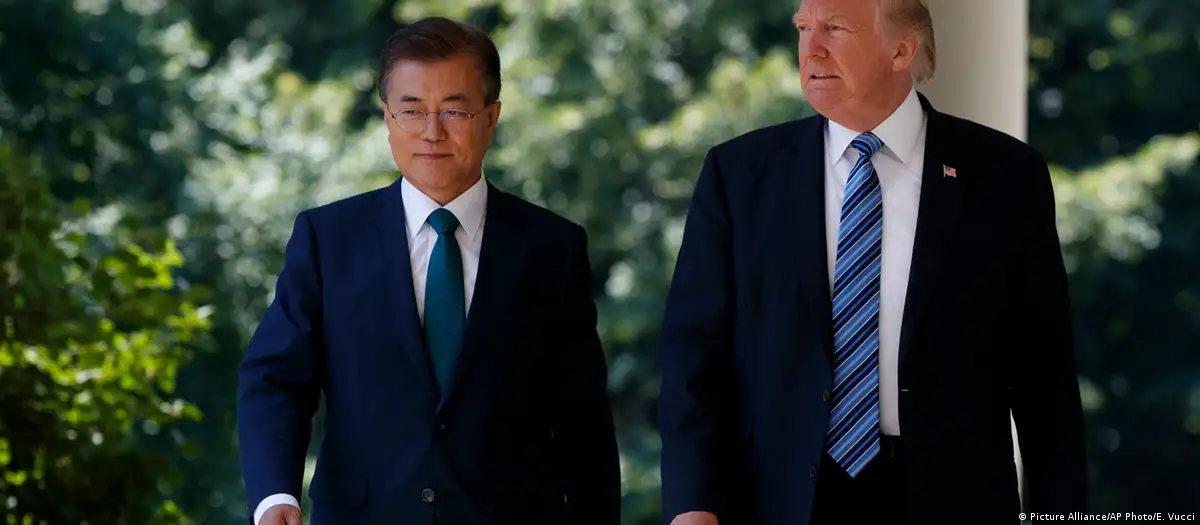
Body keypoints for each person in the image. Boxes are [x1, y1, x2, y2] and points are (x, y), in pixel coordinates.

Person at [658, 0, 1087, 524]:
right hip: (778, 498)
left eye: (835, 28)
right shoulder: (739, 173)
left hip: (952, 499)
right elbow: (693, 357)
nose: (811, 48)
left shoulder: (1004, 175)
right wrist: (691, 504)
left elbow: (1045, 375)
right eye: (804, 27)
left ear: (901, 51)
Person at [236, 16, 621, 525]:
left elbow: (583, 421)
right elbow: (276, 379)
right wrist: (274, 497)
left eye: (454, 111)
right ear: (387, 118)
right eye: (412, 110)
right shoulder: (328, 239)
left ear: (491, 117)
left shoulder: (552, 249)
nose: (431, 132)